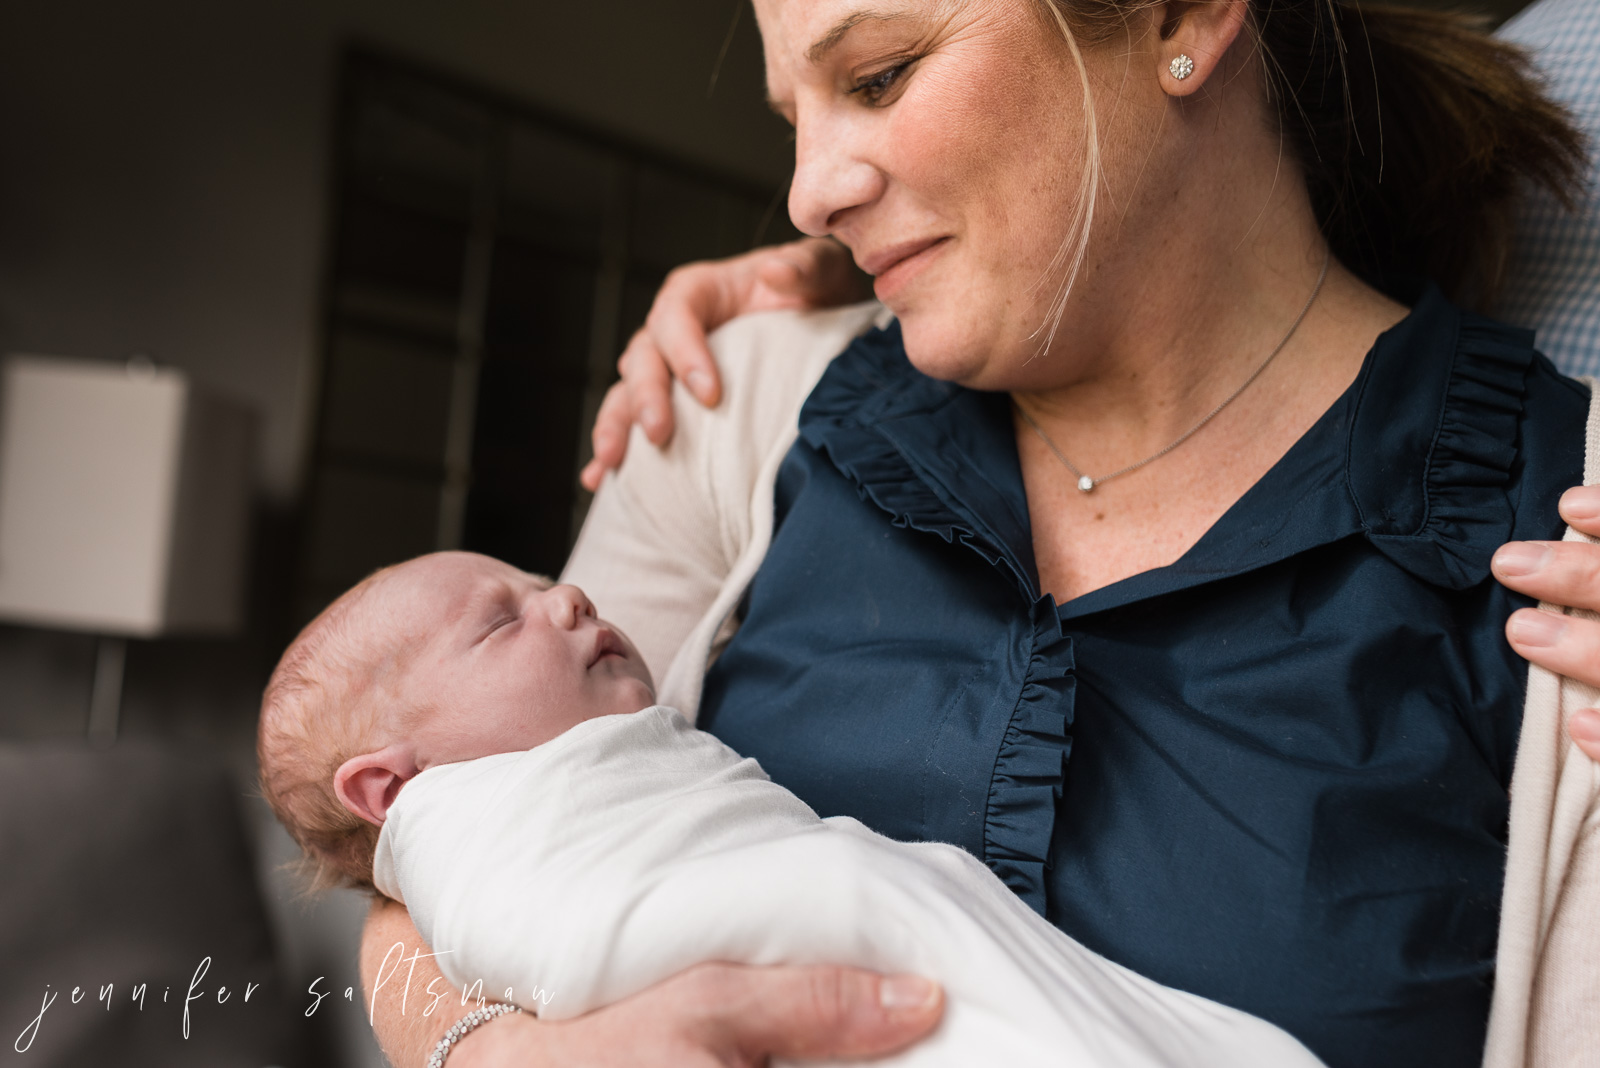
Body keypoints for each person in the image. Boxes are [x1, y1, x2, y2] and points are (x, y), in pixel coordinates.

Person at [358, 0, 1596, 1065]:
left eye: (878, 77)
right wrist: (499, 1049)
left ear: (1179, 18)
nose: (805, 195)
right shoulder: (733, 411)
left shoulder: (1563, 534)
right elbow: (423, 864)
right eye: (797, 119)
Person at [261, 552, 1325, 1068]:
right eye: (501, 625)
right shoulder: (469, 830)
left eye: (540, 581)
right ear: (391, 788)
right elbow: (518, 938)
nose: (569, 598)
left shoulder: (562, 739)